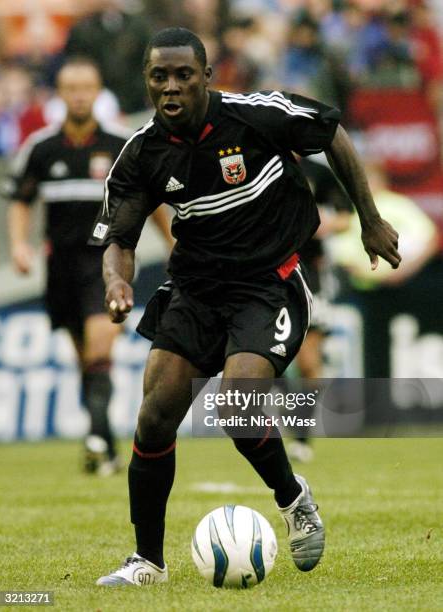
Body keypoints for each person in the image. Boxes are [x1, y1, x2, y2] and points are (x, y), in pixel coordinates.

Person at [90, 27, 401, 586]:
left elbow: (332, 134)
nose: (171, 87)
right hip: (196, 289)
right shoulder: (142, 153)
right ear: (147, 81)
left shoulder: (258, 115)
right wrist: (116, 282)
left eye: (184, 75)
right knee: (155, 413)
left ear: (207, 76)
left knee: (238, 400)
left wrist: (370, 219)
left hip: (269, 282)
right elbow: (120, 237)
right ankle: (147, 562)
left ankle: (292, 497)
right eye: (159, 77)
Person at [7, 56, 172, 476]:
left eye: (86, 88)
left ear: (98, 92)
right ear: (59, 95)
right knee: (86, 361)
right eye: (71, 88)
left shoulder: (121, 144)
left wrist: (175, 243)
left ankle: (98, 439)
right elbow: (21, 201)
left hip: (106, 263)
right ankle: (105, 442)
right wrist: (19, 247)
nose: (79, 95)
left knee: (101, 349)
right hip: (59, 266)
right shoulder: (41, 148)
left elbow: (151, 198)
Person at [286, 155, 353, 463]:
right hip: (264, 272)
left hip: (311, 277)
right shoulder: (258, 158)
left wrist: (322, 224)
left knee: (310, 362)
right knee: (264, 359)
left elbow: (346, 217)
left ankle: (301, 437)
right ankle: (287, 404)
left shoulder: (318, 173)